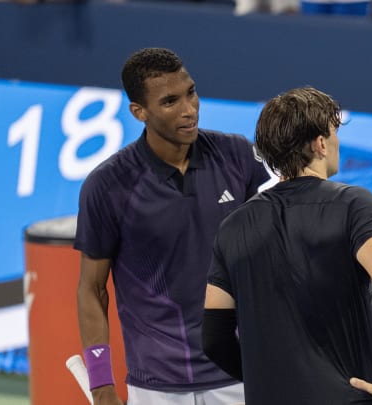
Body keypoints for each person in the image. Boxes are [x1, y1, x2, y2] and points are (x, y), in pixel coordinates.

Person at [74, 47, 270, 405]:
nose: (188, 110)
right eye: (169, 102)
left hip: (240, 374)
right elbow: (92, 289)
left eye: (191, 93)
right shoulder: (107, 186)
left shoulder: (239, 157)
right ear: (139, 112)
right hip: (155, 387)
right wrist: (101, 384)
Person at [201, 86, 372, 404]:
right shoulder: (354, 203)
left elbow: (214, 339)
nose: (337, 142)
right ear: (319, 144)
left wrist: (271, 378)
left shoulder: (233, 226)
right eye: (333, 133)